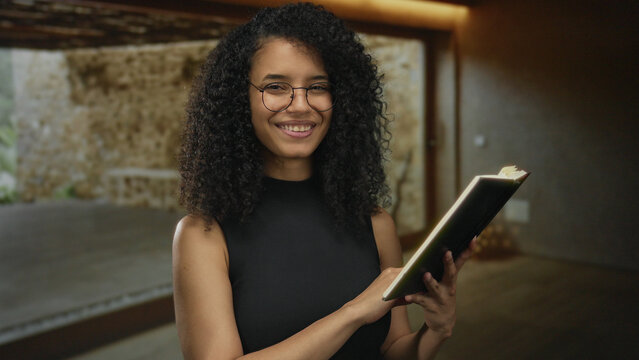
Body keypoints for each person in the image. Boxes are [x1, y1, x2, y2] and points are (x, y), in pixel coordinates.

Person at [173, 3, 475, 359]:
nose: (300, 105)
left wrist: (434, 332)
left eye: (317, 87)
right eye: (276, 86)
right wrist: (354, 313)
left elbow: (394, 349)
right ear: (241, 101)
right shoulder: (203, 235)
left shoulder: (376, 223)